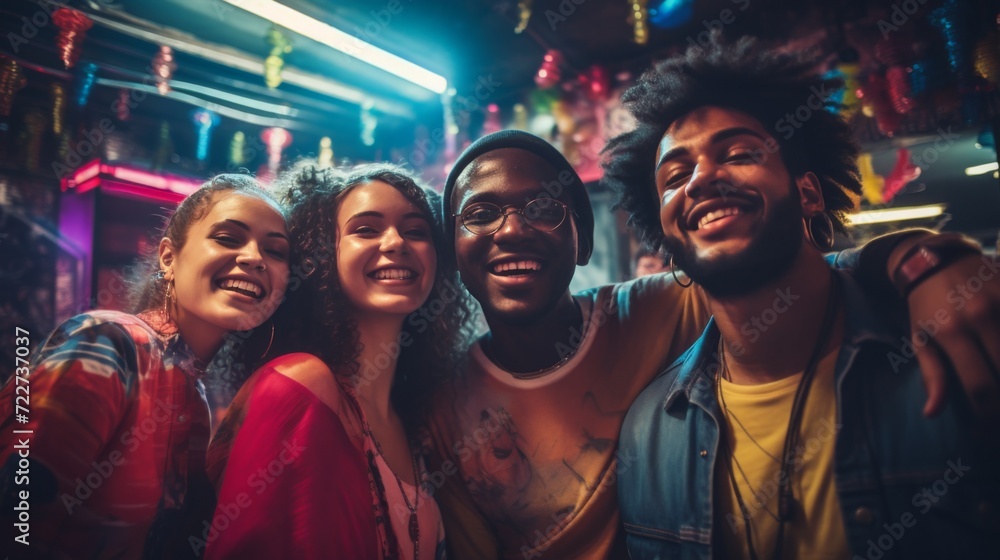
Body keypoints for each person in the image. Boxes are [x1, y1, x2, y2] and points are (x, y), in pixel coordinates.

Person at [426, 126, 1000, 560]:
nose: (512, 229)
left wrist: (920, 262)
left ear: (582, 240)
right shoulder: (442, 411)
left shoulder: (652, 308)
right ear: (453, 251)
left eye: (543, 208)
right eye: (480, 213)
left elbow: (796, 270)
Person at [606, 37, 1000, 558]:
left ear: (808, 193)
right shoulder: (649, 434)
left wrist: (922, 260)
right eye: (675, 177)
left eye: (740, 153)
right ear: (668, 241)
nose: (702, 178)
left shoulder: (943, 342)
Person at [0, 174, 290, 559]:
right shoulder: (107, 342)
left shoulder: (199, 394)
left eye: (275, 251)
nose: (255, 257)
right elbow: (15, 522)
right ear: (169, 257)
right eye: (228, 238)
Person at [202, 163, 473, 559]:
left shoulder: (416, 417)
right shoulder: (297, 385)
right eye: (366, 229)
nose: (396, 242)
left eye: (416, 231)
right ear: (320, 256)